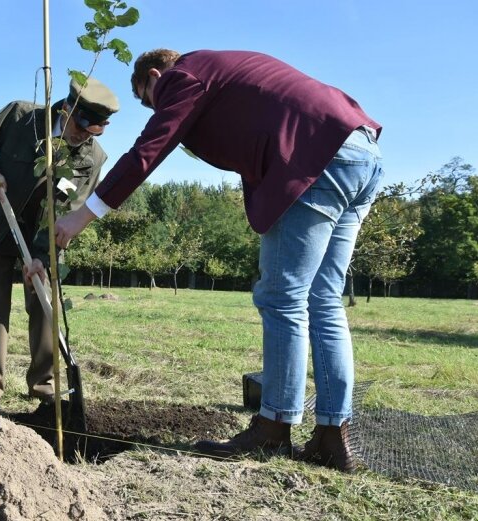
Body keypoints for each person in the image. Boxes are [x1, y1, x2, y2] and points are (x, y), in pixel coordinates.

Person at [54, 49, 384, 473]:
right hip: (361, 150)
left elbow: (147, 151)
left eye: (147, 98)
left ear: (156, 75)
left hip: (317, 156)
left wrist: (83, 215)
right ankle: (331, 436)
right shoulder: (226, 70)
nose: (156, 108)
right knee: (323, 299)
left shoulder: (184, 76)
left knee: (283, 296)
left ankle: (274, 427)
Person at [0, 77, 120, 411]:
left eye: (93, 131)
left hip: (45, 236)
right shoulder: (23, 119)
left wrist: (42, 257)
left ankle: (45, 387)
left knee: (44, 304)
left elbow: (71, 209)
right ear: (66, 108)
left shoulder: (93, 158)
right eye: (80, 125)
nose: (82, 135)